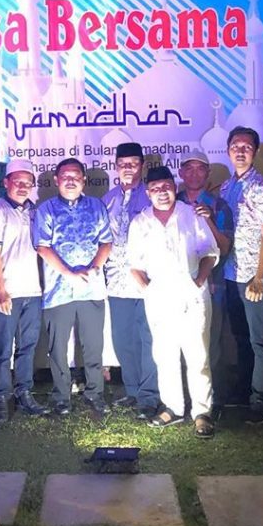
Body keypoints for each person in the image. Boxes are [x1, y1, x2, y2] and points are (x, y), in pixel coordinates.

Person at [129, 166, 219, 437]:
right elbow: (134, 264)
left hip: (192, 294)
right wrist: (149, 291)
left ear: (174, 186)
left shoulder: (191, 214)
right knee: (165, 355)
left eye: (166, 187)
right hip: (160, 297)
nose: (162, 193)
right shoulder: (140, 222)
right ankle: (173, 407)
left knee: (198, 355)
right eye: (155, 189)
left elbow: (210, 251)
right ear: (148, 193)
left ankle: (202, 412)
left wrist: (199, 281)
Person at [33, 157, 113, 415]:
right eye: (65, 176)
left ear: (84, 180)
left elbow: (106, 242)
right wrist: (69, 274)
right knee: (58, 348)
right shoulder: (46, 209)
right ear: (56, 180)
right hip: (59, 291)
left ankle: (95, 393)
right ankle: (61, 396)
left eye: (75, 176)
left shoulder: (96, 206)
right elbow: (42, 247)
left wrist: (94, 267)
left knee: (93, 345)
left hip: (92, 288)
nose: (70, 181)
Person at [220, 126, 263, 424]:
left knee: (259, 339)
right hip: (231, 273)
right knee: (241, 336)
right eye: (235, 146)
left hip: (253, 278)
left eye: (246, 147)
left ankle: (260, 398)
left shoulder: (261, 188)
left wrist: (259, 277)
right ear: (228, 150)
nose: (240, 151)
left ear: (254, 151)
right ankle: (244, 389)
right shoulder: (226, 187)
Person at [0, 160, 50, 420]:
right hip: (7, 292)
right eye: (17, 182)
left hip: (32, 291)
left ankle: (24, 392)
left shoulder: (34, 211)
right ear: (6, 183)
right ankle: (1, 395)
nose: (23, 187)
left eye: (28, 183)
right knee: (3, 348)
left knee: (28, 345)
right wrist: (0, 290)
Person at [102, 142, 158, 420]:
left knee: (148, 340)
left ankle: (150, 395)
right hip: (116, 282)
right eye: (123, 164)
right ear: (116, 166)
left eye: (133, 164)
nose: (128, 168)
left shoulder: (152, 196)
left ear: (142, 166)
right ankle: (133, 390)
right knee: (123, 339)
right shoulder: (108, 199)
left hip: (147, 282)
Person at [177, 151, 234, 414]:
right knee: (178, 342)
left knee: (209, 343)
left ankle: (213, 399)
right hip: (177, 287)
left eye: (200, 169)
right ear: (181, 173)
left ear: (208, 174)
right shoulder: (171, 201)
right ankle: (181, 396)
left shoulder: (219, 205)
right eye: (189, 168)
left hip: (211, 285)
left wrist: (208, 219)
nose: (194, 174)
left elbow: (224, 246)